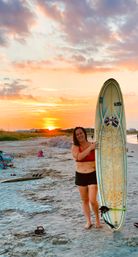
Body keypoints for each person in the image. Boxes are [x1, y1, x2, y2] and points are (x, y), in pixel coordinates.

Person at [71, 127, 101, 229]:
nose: (80, 135)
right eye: (77, 134)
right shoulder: (75, 147)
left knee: (92, 200)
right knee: (85, 200)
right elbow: (79, 157)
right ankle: (88, 222)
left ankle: (98, 220)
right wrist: (90, 148)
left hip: (92, 174)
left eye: (81, 133)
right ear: (75, 136)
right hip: (80, 175)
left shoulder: (93, 145)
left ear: (85, 133)